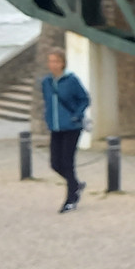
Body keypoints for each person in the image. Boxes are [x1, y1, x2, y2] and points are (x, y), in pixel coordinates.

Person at [40, 49, 90, 213]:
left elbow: (84, 99)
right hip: (55, 127)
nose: (52, 64)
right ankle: (75, 185)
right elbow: (47, 102)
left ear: (62, 63)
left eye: (55, 61)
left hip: (71, 127)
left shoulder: (71, 80)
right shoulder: (46, 82)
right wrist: (47, 117)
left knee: (68, 163)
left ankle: (71, 199)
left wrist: (76, 115)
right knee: (55, 163)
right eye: (50, 61)